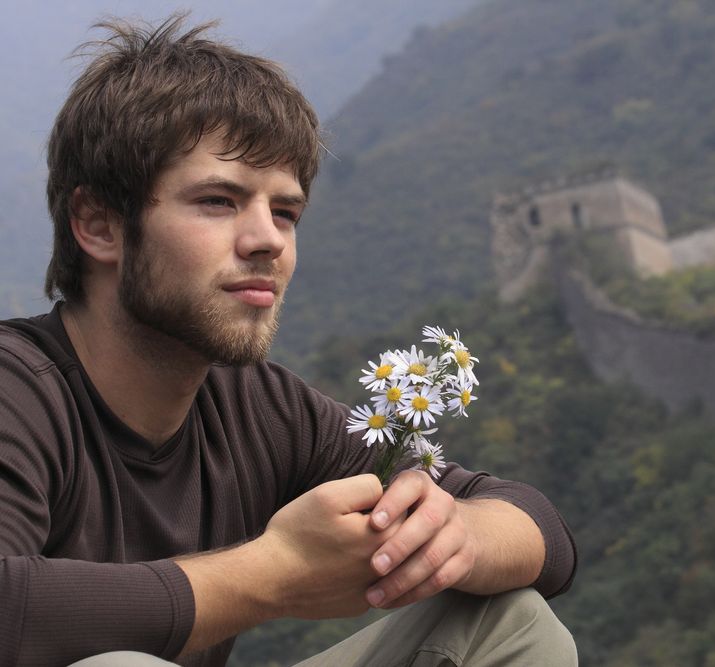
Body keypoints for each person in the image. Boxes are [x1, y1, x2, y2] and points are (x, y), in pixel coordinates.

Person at [0, 14, 577, 667]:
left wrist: (458, 533)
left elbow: (543, 532)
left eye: (285, 211)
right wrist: (271, 575)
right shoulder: (19, 390)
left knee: (515, 623)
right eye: (219, 201)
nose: (267, 239)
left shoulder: (258, 408)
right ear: (98, 224)